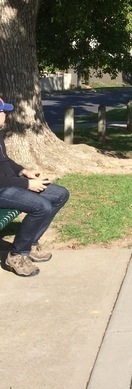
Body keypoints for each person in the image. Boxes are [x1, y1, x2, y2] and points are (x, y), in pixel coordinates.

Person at [0, 98, 70, 277]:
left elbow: (5, 161)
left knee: (60, 194)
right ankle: (16, 255)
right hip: (3, 190)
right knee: (41, 206)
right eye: (3, 111)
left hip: (9, 184)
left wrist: (24, 171)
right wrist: (27, 184)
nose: (6, 114)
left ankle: (30, 243)